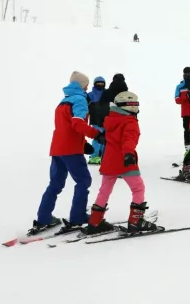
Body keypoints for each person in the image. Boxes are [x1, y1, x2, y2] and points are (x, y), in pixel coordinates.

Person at [29, 71, 102, 235]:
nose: (87, 88)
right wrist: (96, 134)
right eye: (86, 85)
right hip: (71, 150)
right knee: (83, 180)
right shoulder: (80, 100)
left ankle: (43, 218)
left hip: (57, 149)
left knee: (55, 184)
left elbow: (66, 127)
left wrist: (84, 144)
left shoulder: (63, 101)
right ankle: (78, 217)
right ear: (82, 85)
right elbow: (77, 124)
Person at [85, 91, 158, 235]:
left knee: (104, 190)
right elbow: (129, 139)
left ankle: (95, 222)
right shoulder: (130, 121)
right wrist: (129, 153)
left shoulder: (110, 119)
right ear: (129, 105)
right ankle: (136, 221)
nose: (137, 108)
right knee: (138, 188)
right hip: (124, 160)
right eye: (135, 104)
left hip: (109, 161)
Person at [87, 76, 106, 164]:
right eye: (98, 83)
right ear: (94, 84)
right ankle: (94, 156)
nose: (100, 85)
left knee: (105, 138)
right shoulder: (90, 95)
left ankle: (102, 155)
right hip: (95, 120)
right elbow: (85, 106)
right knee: (97, 137)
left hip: (106, 121)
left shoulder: (106, 94)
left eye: (102, 83)